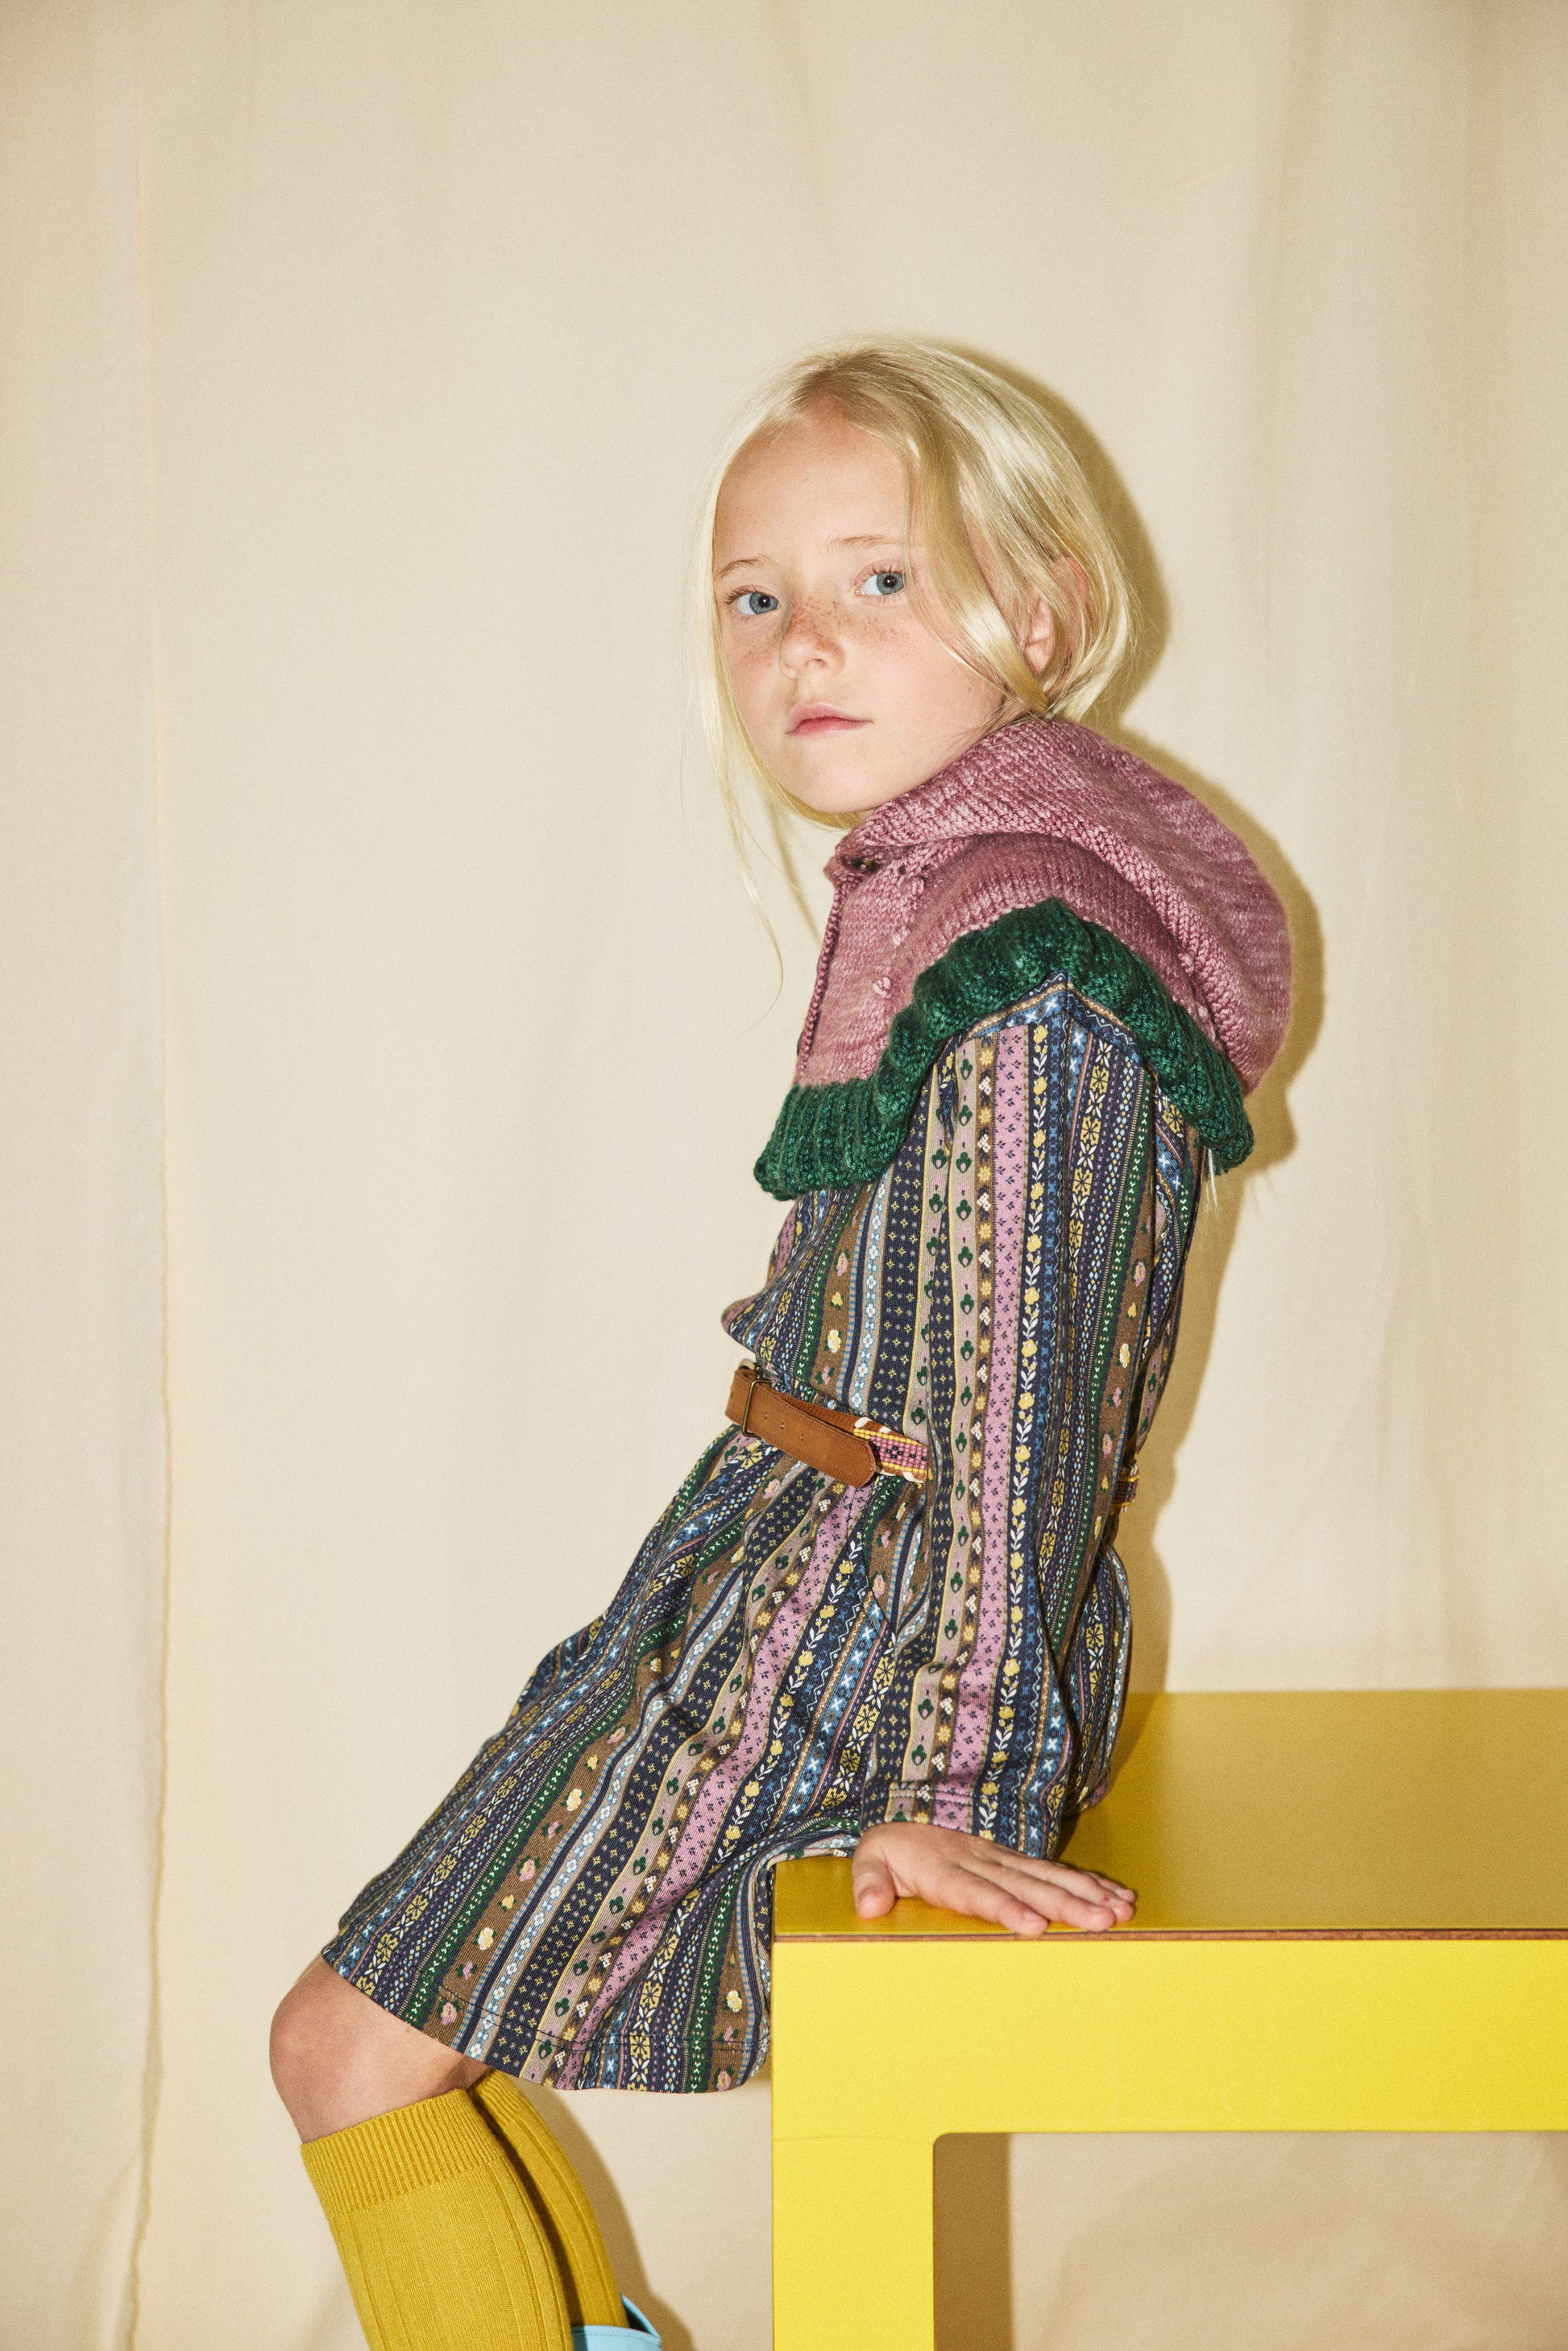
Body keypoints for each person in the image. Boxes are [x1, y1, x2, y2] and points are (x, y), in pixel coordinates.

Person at [270, 337, 1292, 2351]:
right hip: (782, 1572)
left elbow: (1020, 1422)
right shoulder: (956, 887)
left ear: (1041, 610)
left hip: (852, 1632)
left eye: (876, 578)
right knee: (382, 2043)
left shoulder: (1029, 961)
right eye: (755, 597)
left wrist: (961, 1781)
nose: (801, 641)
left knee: (349, 2048)